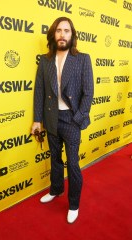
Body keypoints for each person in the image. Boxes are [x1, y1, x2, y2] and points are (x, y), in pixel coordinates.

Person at [31, 16, 94, 223]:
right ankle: (56, 189)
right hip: (51, 118)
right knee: (55, 159)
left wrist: (78, 117)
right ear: (53, 34)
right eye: (59, 30)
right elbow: (39, 91)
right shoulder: (45, 60)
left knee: (73, 163)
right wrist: (37, 120)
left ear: (72, 35)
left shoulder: (82, 59)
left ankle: (74, 203)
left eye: (66, 31)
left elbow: (89, 92)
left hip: (71, 120)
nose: (62, 34)